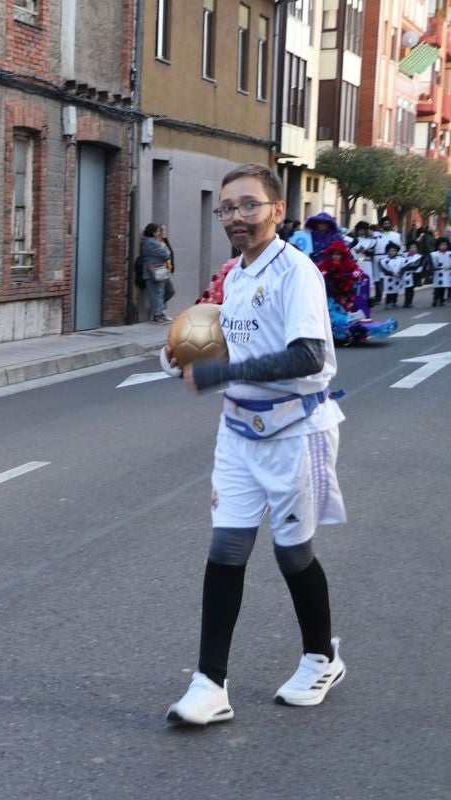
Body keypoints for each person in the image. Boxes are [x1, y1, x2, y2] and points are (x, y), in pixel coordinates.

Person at [163, 164, 347, 726]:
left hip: (297, 433)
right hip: (238, 433)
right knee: (225, 551)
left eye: (248, 205)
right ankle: (209, 685)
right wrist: (179, 356)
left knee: (293, 554)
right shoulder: (233, 276)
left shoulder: (297, 273)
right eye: (226, 208)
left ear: (276, 211)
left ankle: (321, 656)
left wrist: (221, 371)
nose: (236, 217)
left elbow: (309, 357)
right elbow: (209, 334)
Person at [140, 223, 173, 323]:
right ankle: (157, 314)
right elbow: (166, 254)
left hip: (161, 271)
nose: (160, 233)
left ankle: (159, 310)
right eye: (158, 231)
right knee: (157, 294)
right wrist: (166, 249)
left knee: (169, 291)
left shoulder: (154, 242)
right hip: (154, 272)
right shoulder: (150, 243)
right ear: (153, 232)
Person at [430, 237, 451, 307]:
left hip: (447, 272)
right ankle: (435, 299)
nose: (443, 246)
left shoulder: (449, 254)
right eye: (441, 245)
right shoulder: (434, 254)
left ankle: (441, 299)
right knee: (437, 287)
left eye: (445, 245)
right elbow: (432, 263)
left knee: (444, 287)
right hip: (438, 272)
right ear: (438, 246)